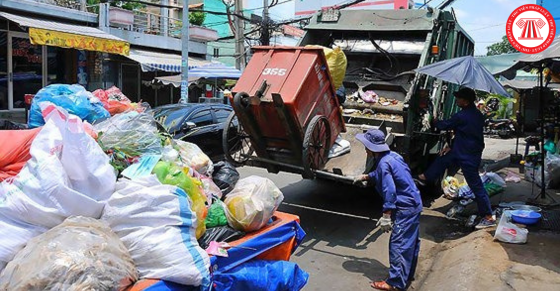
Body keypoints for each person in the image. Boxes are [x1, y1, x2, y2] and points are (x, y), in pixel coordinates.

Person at [415, 87, 496, 229]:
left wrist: (434, 120)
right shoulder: (476, 114)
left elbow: (444, 125)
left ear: (465, 101)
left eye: (459, 98)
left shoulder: (462, 116)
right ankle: (424, 177)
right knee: (443, 160)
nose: (457, 100)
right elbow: (464, 132)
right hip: (466, 151)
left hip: (466, 155)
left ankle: (488, 216)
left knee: (476, 186)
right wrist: (451, 145)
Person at [354, 129, 422, 291]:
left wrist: (386, 215)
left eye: (366, 146)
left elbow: (390, 190)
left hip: (404, 207)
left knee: (398, 243)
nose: (365, 149)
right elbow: (385, 173)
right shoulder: (393, 156)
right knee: (410, 241)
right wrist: (367, 176)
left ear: (372, 148)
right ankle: (407, 274)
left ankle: (395, 283)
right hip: (414, 203)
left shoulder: (383, 163)